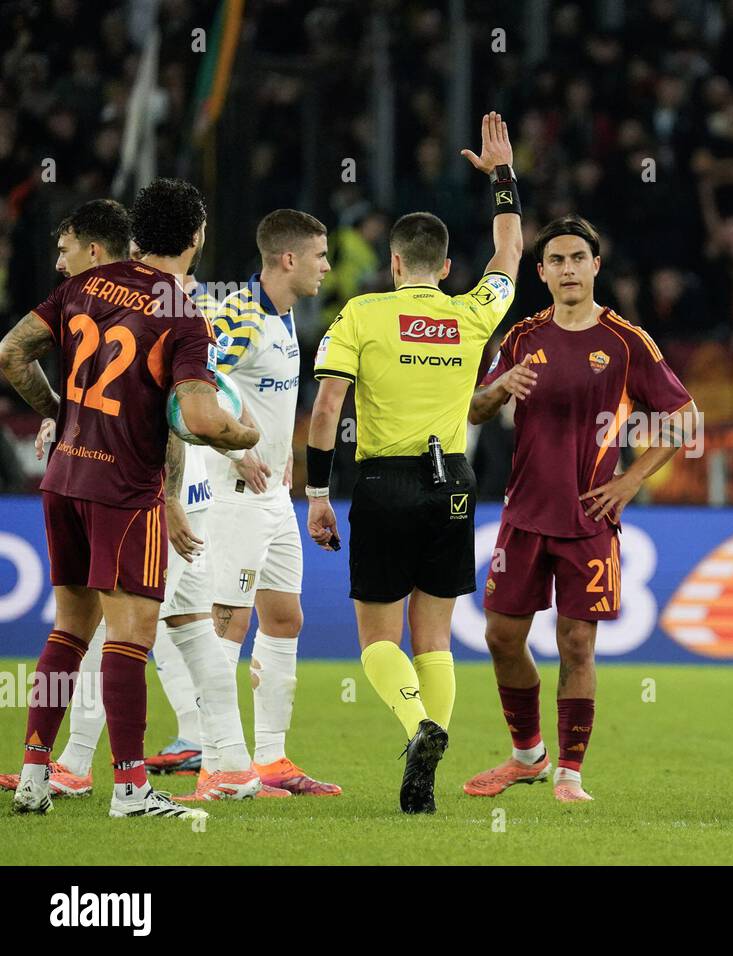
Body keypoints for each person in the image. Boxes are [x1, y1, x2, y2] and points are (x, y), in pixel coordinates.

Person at [0, 178, 258, 819]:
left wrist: (66, 411)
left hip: (63, 481)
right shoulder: (182, 312)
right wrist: (244, 433)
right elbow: (198, 419)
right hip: (124, 488)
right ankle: (131, 789)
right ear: (197, 238)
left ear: (137, 235)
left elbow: (11, 353)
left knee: (68, 629)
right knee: (130, 637)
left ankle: (36, 774)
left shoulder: (83, 286)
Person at [306, 112, 522, 814]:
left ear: (395, 263)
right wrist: (503, 180)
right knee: (436, 638)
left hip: (383, 481)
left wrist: (315, 491)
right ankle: (431, 752)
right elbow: (511, 256)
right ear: (447, 267)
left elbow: (327, 407)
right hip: (454, 483)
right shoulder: (472, 313)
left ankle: (416, 727)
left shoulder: (361, 315)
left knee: (377, 639)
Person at [462, 215, 696, 803]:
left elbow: (685, 418)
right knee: (500, 636)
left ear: (597, 265)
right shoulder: (521, 337)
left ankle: (569, 773)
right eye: (556, 261)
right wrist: (495, 390)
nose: (568, 269)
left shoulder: (626, 341)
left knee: (575, 643)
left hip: (590, 516)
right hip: (523, 514)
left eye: (578, 258)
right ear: (540, 273)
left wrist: (632, 480)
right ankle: (527, 756)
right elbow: (475, 410)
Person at [204, 209, 338, 796]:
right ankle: (213, 766)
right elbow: (196, 381)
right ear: (288, 259)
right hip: (237, 493)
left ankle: (272, 761)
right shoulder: (240, 313)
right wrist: (237, 452)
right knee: (226, 626)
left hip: (276, 498)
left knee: (285, 618)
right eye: (320, 255)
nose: (327, 266)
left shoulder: (285, 317)